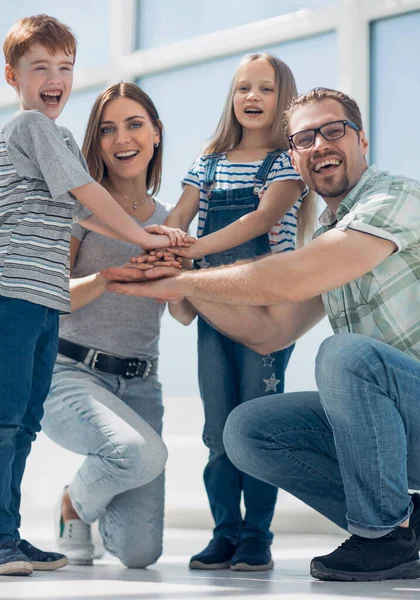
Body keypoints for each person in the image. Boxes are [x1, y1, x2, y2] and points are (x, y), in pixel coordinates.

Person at [102, 87, 420, 583]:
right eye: (305, 139)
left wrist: (186, 277)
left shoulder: (394, 198)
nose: (320, 145)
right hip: (399, 433)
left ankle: (383, 539)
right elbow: (272, 331)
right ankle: (411, 528)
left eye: (333, 130)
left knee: (346, 356)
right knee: (247, 431)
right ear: (294, 157)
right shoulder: (329, 237)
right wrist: (173, 282)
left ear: (362, 140)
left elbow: (290, 277)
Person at [0, 14, 191, 577]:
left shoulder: (50, 138)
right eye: (41, 68)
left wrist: (160, 247)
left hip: (41, 303)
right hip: (13, 294)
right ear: (12, 76)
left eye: (64, 67)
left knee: (25, 422)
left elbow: (84, 208)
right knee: (6, 421)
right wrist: (141, 237)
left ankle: (10, 534)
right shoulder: (32, 128)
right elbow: (88, 199)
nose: (55, 78)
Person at [138, 52, 315, 572]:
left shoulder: (286, 164)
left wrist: (190, 252)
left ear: (283, 100)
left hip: (267, 310)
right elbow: (178, 217)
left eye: (264, 89)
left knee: (258, 426)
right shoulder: (208, 161)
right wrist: (164, 248)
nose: (252, 98)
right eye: (243, 88)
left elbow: (263, 218)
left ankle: (257, 535)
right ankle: (225, 533)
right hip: (216, 312)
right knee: (218, 429)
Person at [40, 82, 195, 569]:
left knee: (139, 555)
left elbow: (183, 313)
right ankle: (73, 505)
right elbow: (49, 298)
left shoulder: (173, 220)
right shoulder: (80, 210)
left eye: (134, 124)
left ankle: (85, 500)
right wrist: (108, 277)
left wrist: (186, 275)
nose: (121, 138)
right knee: (141, 454)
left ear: (155, 134)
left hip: (141, 384)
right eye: (107, 129)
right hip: (69, 375)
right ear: (96, 142)